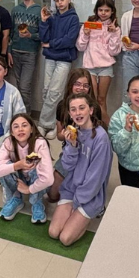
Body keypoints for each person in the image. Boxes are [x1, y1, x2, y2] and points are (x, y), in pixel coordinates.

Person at [48, 93, 112, 247]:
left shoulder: (101, 139)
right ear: (70, 114)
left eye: (82, 108)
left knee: (65, 238)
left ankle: (89, 215)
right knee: (53, 232)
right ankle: (76, 216)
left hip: (90, 196)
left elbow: (95, 179)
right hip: (71, 189)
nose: (78, 113)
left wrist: (77, 204)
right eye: (73, 110)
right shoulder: (72, 132)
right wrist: (72, 145)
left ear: (90, 110)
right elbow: (68, 166)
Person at [0, 113, 53, 223]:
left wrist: (29, 190)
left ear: (32, 129)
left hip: (34, 179)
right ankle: (15, 198)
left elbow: (48, 179)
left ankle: (37, 201)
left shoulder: (40, 143)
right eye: (16, 126)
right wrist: (17, 165)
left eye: (24, 125)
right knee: (4, 166)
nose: (20, 129)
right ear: (12, 133)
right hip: (18, 178)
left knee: (39, 167)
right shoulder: (8, 142)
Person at [49, 68, 97, 203]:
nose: (81, 88)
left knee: (82, 196)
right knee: (52, 195)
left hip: (88, 154)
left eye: (85, 85)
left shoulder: (94, 108)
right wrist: (65, 135)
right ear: (70, 85)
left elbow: (99, 137)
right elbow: (58, 136)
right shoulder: (62, 106)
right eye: (77, 84)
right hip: (68, 152)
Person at [38, 0, 81, 140]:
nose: (59, 3)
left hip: (64, 59)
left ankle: (45, 125)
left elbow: (69, 40)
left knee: (55, 93)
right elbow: (43, 37)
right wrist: (43, 21)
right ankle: (50, 123)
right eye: (57, 1)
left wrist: (52, 44)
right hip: (50, 58)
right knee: (46, 91)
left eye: (62, 0)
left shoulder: (73, 18)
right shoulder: (52, 17)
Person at [77, 0, 121, 125]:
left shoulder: (115, 27)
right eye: (100, 10)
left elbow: (115, 51)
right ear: (96, 10)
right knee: (92, 99)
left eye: (107, 10)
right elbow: (80, 46)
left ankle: (106, 127)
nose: (103, 13)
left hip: (106, 67)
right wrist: (85, 34)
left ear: (112, 11)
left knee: (101, 100)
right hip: (89, 66)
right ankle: (92, 126)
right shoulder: (89, 24)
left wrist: (113, 33)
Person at [8, 0, 42, 112]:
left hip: (30, 53)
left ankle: (26, 115)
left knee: (24, 87)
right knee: (16, 86)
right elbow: (11, 32)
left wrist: (30, 36)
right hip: (15, 51)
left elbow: (43, 35)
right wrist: (9, 50)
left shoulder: (39, 10)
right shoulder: (15, 9)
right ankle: (17, 113)